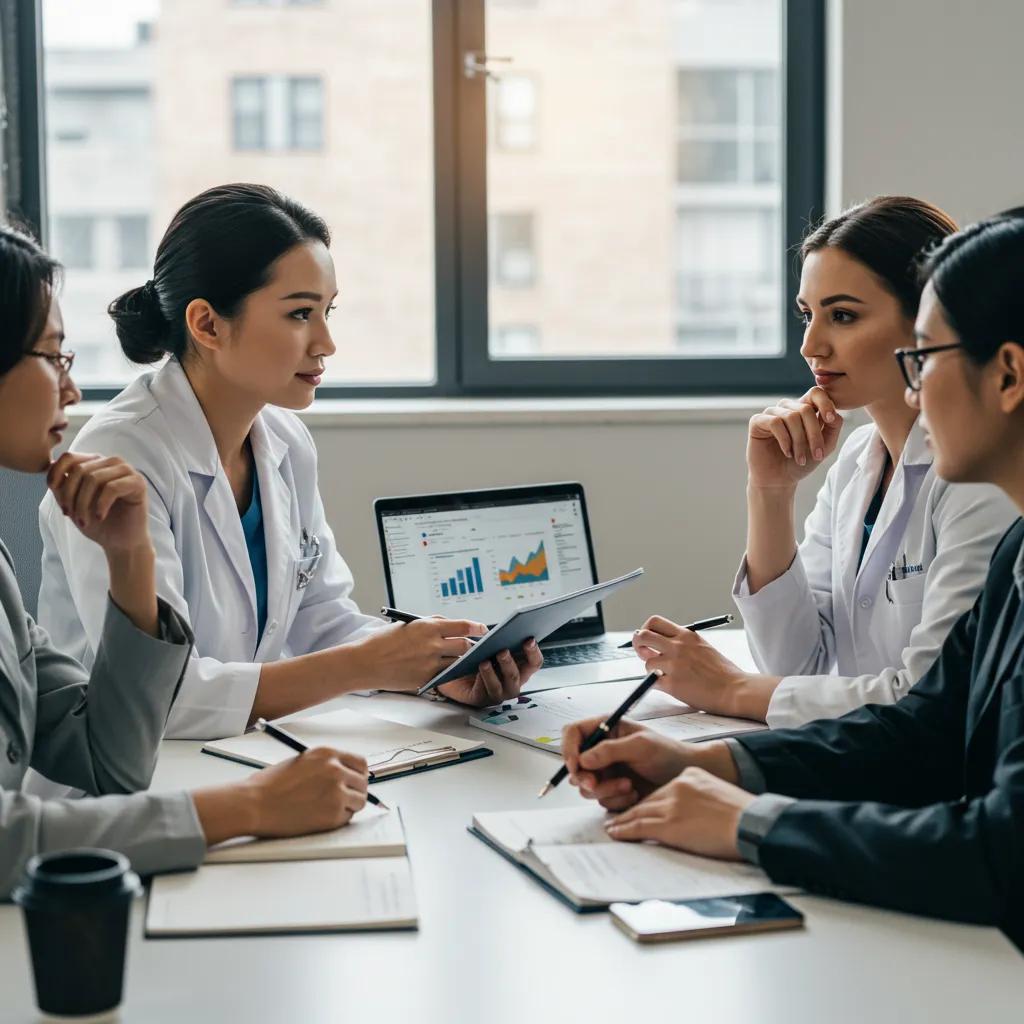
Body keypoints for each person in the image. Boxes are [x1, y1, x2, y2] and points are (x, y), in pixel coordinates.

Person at [562, 211, 1024, 947]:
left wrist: (750, 818)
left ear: (1007, 375)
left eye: (926, 358)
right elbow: (925, 726)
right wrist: (705, 762)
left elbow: (1001, 852)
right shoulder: (1014, 549)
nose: (914, 393)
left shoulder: (986, 505)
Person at [37, 184, 541, 740]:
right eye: (300, 313)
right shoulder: (121, 456)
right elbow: (164, 694)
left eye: (327, 311)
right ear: (207, 324)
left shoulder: (283, 440)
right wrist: (367, 665)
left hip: (238, 749)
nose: (326, 342)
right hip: (122, 765)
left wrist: (436, 671)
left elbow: (322, 620)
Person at [0, 222, 379, 894]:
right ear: (206, 324)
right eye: (52, 357)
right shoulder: (127, 444)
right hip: (77, 861)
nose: (72, 392)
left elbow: (109, 760)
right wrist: (251, 807)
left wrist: (132, 561)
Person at [630, 196, 1016, 728]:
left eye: (843, 316)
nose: (811, 345)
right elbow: (795, 666)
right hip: (860, 753)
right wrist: (770, 491)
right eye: (807, 315)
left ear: (927, 320)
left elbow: (929, 700)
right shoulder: (858, 457)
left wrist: (728, 688)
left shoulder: (982, 475)